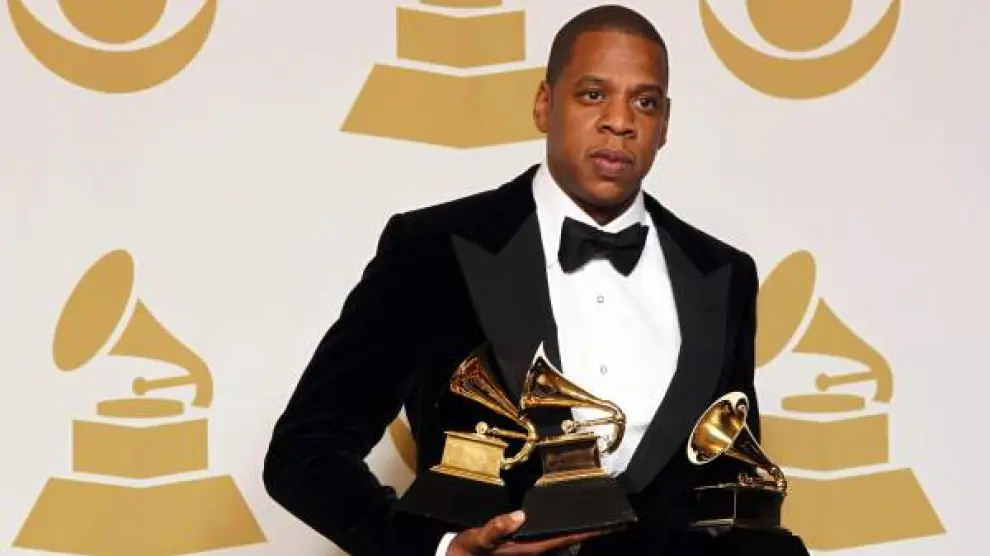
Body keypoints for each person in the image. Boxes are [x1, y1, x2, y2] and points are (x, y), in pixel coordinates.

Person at [263, 4, 763, 555]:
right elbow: (304, 452)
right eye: (592, 94)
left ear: (664, 124)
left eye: (644, 102)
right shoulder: (431, 250)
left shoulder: (724, 273)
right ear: (544, 104)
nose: (619, 121)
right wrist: (438, 549)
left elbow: (732, 478)